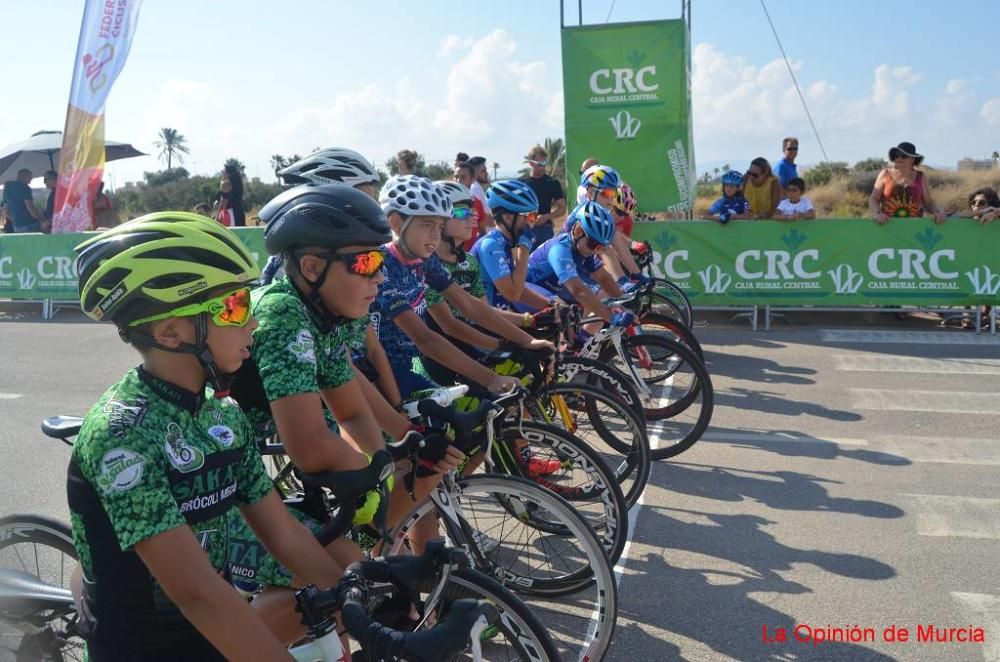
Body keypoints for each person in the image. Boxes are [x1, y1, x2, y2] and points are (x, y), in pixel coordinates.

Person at [69, 212, 345, 660]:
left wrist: (357, 597)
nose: (252, 323)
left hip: (209, 632)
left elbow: (285, 536)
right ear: (171, 332)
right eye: (235, 307)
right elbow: (196, 591)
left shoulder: (224, 416)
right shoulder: (122, 436)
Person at [375, 174, 522, 398]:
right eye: (427, 225)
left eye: (440, 226)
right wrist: (491, 378)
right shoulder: (381, 266)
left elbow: (468, 305)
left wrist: (525, 341)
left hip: (404, 366)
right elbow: (424, 338)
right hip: (377, 375)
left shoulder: (424, 259)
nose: (436, 235)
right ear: (395, 222)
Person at [526, 201, 631, 326]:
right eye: (593, 244)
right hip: (526, 289)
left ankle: (578, 341)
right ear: (578, 231)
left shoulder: (584, 250)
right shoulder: (560, 249)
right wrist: (612, 317)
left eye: (600, 247)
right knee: (565, 311)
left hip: (550, 291)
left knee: (580, 308)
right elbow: (578, 290)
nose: (595, 251)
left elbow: (604, 278)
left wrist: (625, 304)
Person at [471, 180, 553, 311]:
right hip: (483, 324)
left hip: (498, 318)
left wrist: (552, 306)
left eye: (534, 216)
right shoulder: (491, 245)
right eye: (529, 216)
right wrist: (524, 250)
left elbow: (518, 288)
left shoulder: (503, 243)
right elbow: (513, 294)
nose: (532, 223)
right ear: (508, 217)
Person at [869, 142, 946, 225]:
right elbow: (873, 199)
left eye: (904, 156)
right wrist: (878, 213)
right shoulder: (885, 173)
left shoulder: (921, 176)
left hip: (915, 227)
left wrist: (937, 212)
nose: (899, 158)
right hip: (888, 226)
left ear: (912, 159)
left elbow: (928, 202)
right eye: (896, 155)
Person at [519, 144, 566, 248]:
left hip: (546, 230)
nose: (543, 167)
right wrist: (529, 218)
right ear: (531, 163)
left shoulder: (552, 183)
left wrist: (547, 217)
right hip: (526, 230)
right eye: (540, 164)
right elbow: (514, 209)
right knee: (525, 263)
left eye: (545, 163)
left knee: (545, 262)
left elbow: (562, 208)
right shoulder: (521, 184)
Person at [453, 161, 488, 250]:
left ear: (472, 179)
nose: (458, 181)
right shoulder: (447, 202)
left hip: (470, 256)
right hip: (451, 253)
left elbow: (482, 231)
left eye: (463, 177)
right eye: (456, 177)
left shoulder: (477, 203)